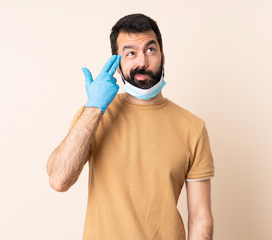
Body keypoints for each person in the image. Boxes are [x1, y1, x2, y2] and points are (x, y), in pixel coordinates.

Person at [46, 13, 215, 240]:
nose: (142, 62)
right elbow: (58, 180)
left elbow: (200, 217)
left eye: (150, 50)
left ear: (163, 56)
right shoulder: (93, 117)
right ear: (117, 63)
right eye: (130, 53)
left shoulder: (193, 128)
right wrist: (95, 108)